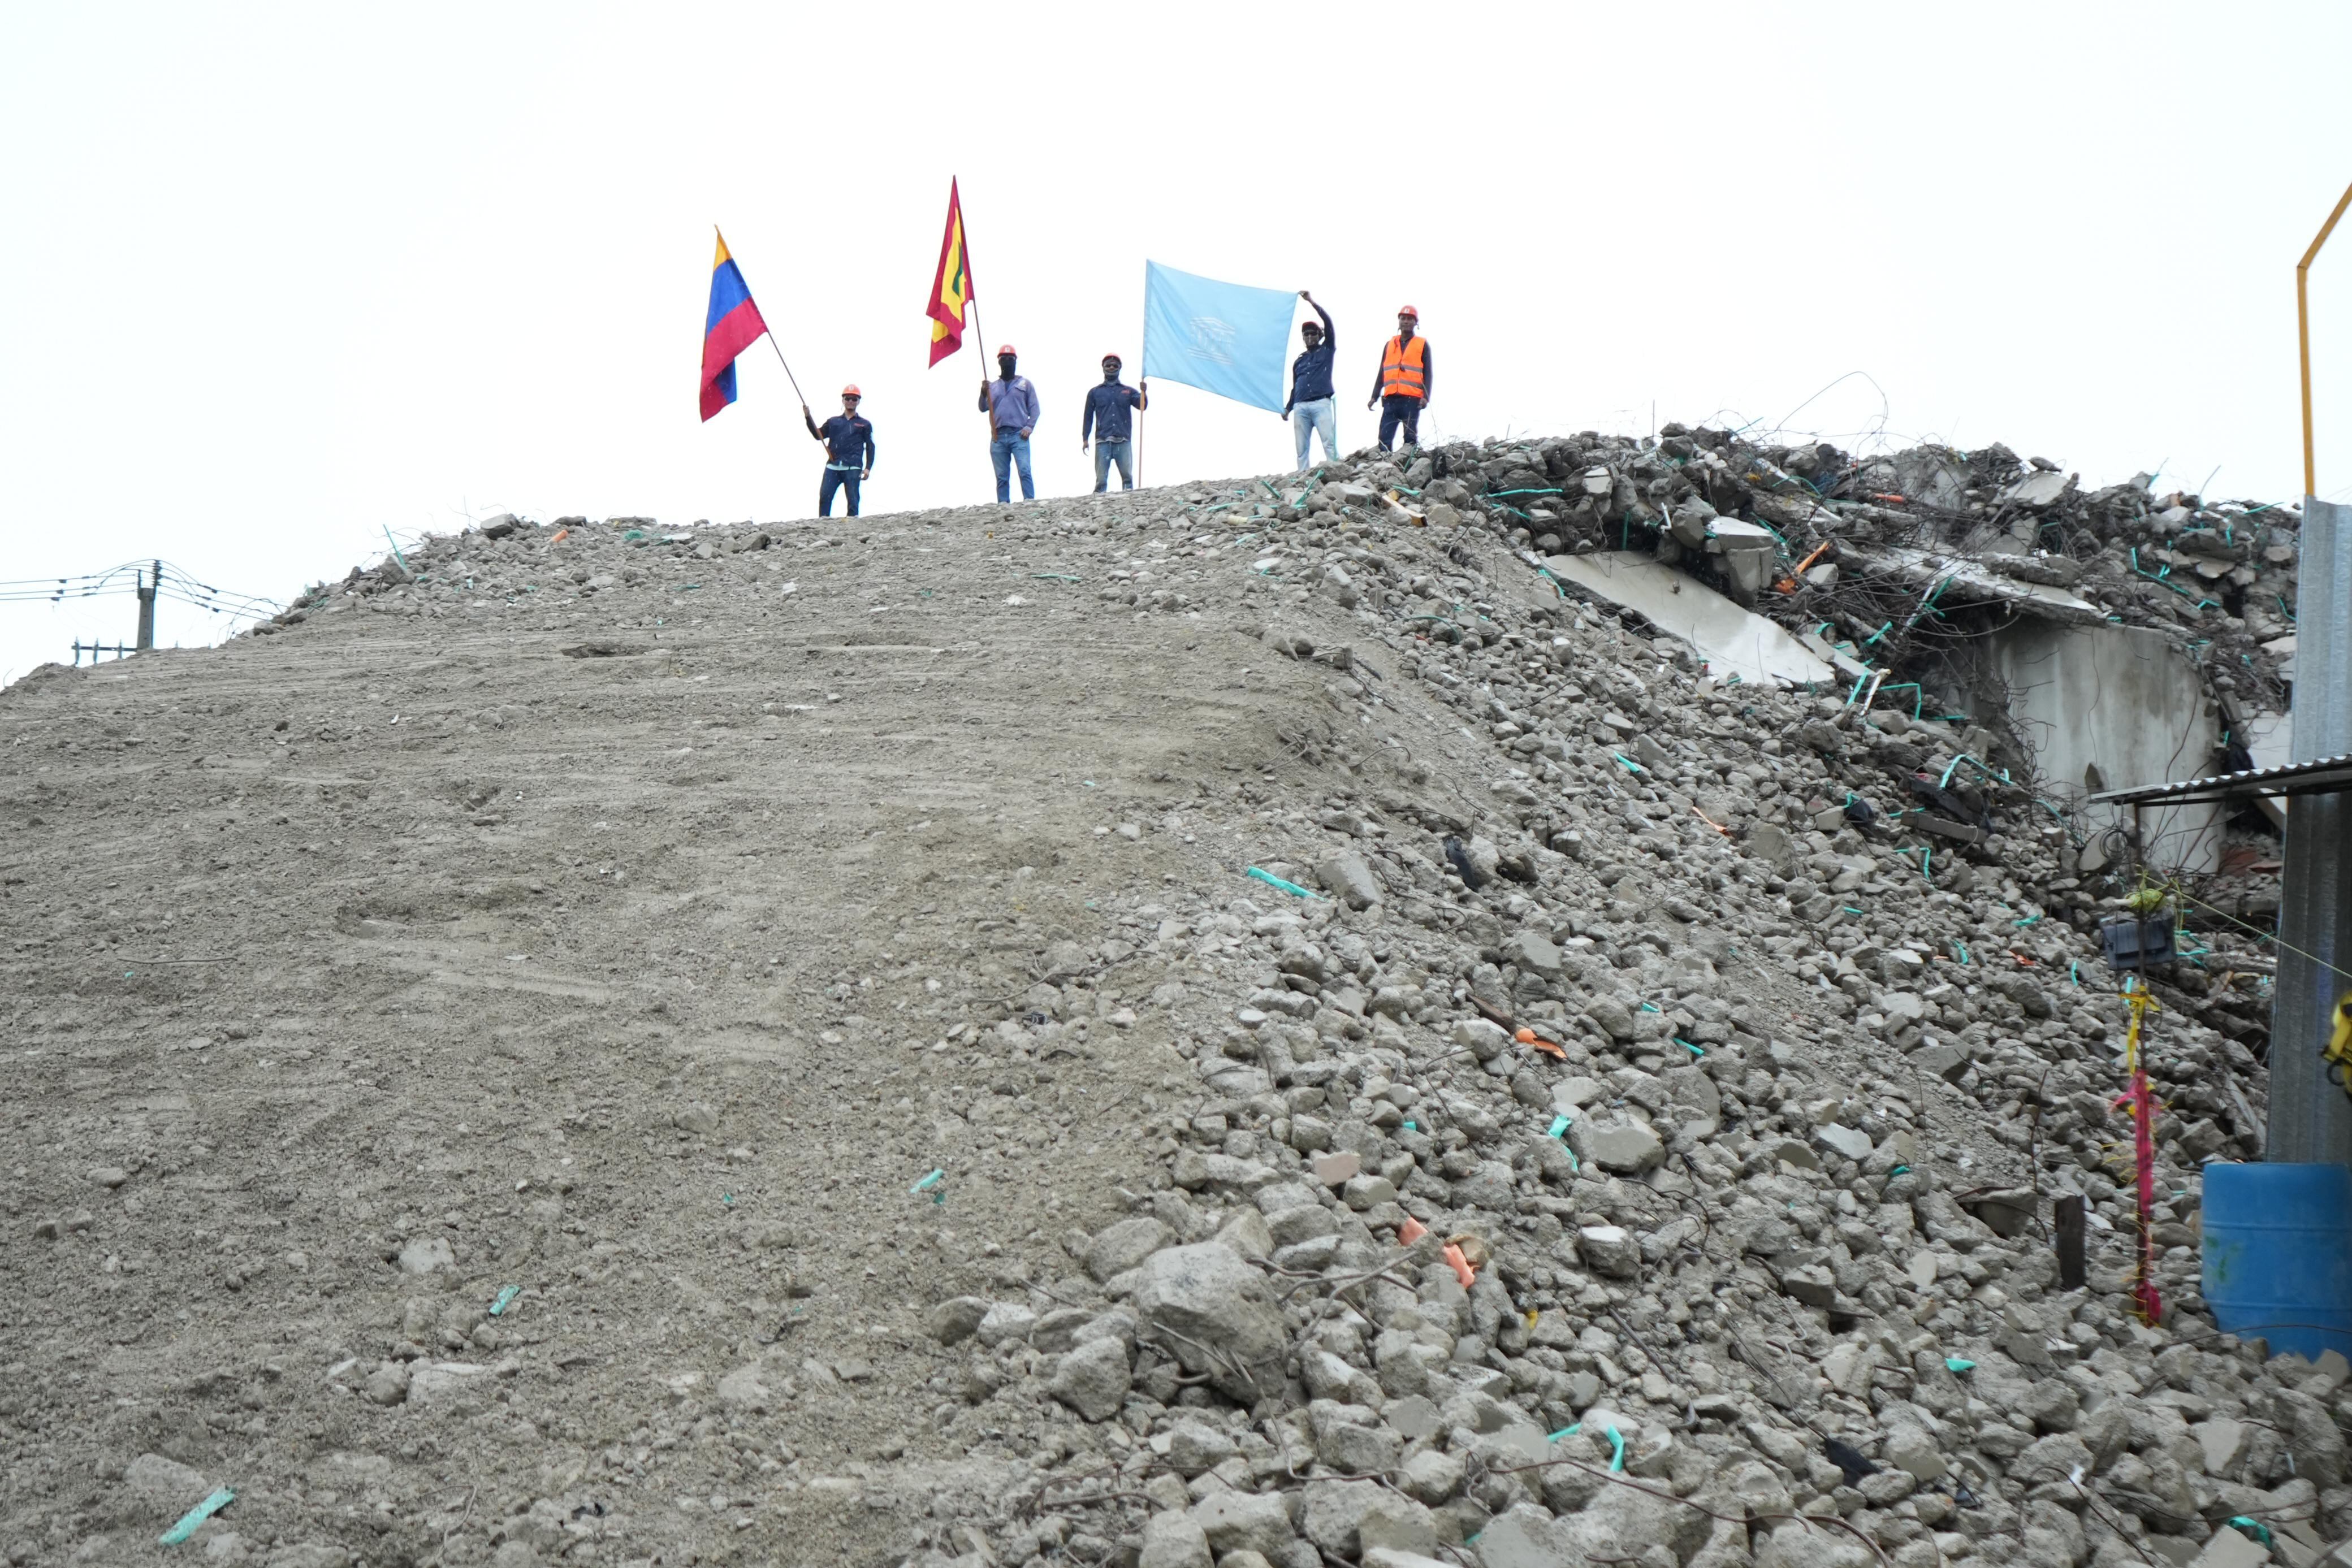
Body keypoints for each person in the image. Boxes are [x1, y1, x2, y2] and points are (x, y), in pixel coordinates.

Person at [1282, 291, 1338, 470]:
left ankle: (1335, 470)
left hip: (1321, 403)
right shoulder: (1299, 361)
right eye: (1305, 334)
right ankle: (1302, 477)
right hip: (1301, 406)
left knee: (1328, 441)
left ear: (1319, 335)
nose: (1309, 337)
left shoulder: (1327, 350)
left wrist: (1311, 302)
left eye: (1312, 334)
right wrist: (1288, 408)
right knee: (1301, 449)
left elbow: (1329, 323)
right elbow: (1295, 388)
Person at [977, 344, 1040, 502]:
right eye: (1004, 359)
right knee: (1002, 477)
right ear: (999, 361)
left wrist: (1029, 427)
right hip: (998, 437)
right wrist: (983, 392)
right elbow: (983, 407)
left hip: (1019, 435)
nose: (1007, 362)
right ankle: (1003, 505)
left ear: (1016, 361)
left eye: (1010, 359)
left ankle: (1029, 502)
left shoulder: (1025, 384)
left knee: (1025, 470)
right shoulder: (992, 387)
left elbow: (1035, 409)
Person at [1367, 305, 1432, 452]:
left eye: (1410, 319)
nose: (1406, 322)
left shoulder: (1422, 345)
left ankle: (1409, 467)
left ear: (1416, 322)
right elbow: (1382, 373)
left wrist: (1426, 397)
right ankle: (1384, 468)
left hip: (1412, 400)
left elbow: (1428, 373)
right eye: (1403, 318)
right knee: (1384, 438)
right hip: (1391, 400)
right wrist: (1374, 396)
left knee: (1410, 437)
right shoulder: (1390, 345)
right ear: (1399, 321)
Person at [802, 385, 874, 518]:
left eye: (854, 399)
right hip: (833, 466)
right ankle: (823, 524)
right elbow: (818, 435)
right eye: (848, 398)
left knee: (853, 500)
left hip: (853, 467)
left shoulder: (865, 424)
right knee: (825, 496)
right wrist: (808, 418)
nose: (851, 401)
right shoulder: (833, 422)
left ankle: (852, 526)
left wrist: (868, 468)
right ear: (843, 400)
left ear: (858, 401)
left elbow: (870, 446)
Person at [1081, 353, 1148, 492]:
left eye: (1115, 366)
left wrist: (1143, 393)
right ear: (1103, 368)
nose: (1112, 368)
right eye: (1109, 365)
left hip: (1123, 439)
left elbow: (1142, 406)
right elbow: (1088, 417)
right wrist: (1085, 439)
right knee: (1101, 480)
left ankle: (1129, 500)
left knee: (1127, 477)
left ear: (1120, 368)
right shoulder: (1095, 392)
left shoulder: (1128, 391)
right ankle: (1098, 504)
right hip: (1103, 440)